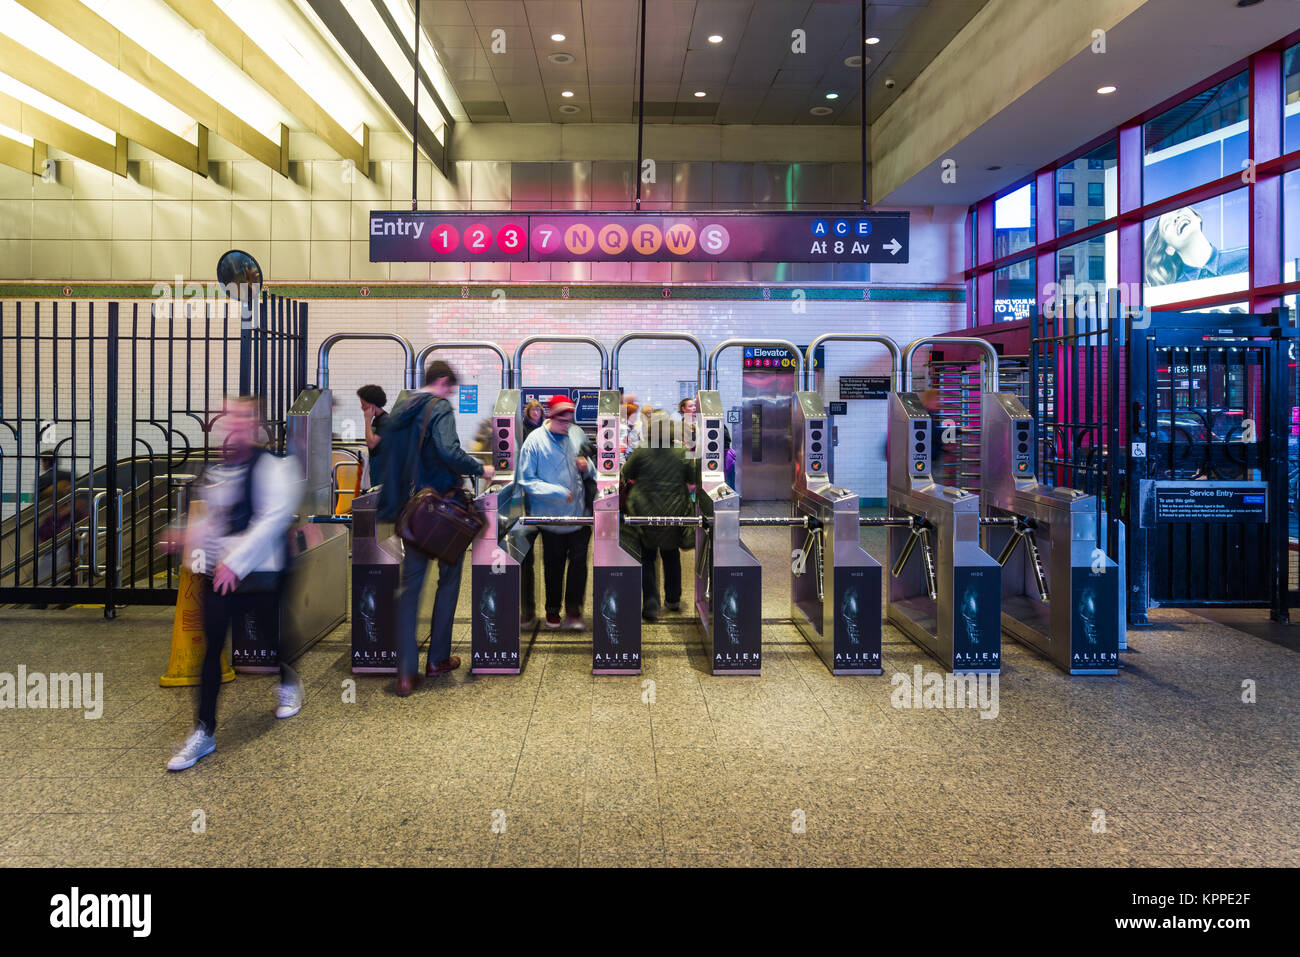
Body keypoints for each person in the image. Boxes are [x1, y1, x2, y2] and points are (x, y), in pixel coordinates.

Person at [159, 396, 305, 771]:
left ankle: (289, 680)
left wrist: (236, 563)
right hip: (220, 572)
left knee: (271, 635)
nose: (235, 423)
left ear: (255, 423)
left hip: (263, 570)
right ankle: (204, 731)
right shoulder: (218, 469)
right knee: (213, 648)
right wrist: (185, 537)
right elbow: (213, 519)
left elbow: (272, 520)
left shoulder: (276, 466)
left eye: (243, 417)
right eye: (230, 416)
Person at [377, 360, 494, 697]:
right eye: (451, 387)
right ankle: (437, 659)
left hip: (411, 511)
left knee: (410, 589)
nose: (451, 395)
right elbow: (448, 450)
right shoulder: (438, 406)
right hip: (441, 510)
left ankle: (405, 673)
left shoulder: (402, 408)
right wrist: (479, 468)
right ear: (441, 381)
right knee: (449, 579)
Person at [516, 394, 591, 630]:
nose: (566, 425)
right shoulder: (534, 441)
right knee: (554, 564)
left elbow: (591, 466)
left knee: (579, 564)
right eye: (562, 421)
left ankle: (574, 611)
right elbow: (527, 479)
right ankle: (552, 610)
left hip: (579, 513)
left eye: (569, 420)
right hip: (550, 515)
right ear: (551, 416)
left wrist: (587, 465)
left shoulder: (576, 433)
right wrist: (557, 491)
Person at [623, 411, 693, 620]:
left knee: (647, 557)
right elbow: (692, 476)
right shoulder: (681, 451)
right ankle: (673, 599)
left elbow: (627, 472)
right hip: (674, 511)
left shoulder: (642, 451)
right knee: (671, 556)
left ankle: (651, 602)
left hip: (645, 511)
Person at [1143, 206, 1249, 286]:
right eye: (1167, 225)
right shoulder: (1173, 291)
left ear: (1198, 217)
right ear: (1170, 248)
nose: (1176, 218)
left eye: (1179, 210)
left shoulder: (1248, 258)